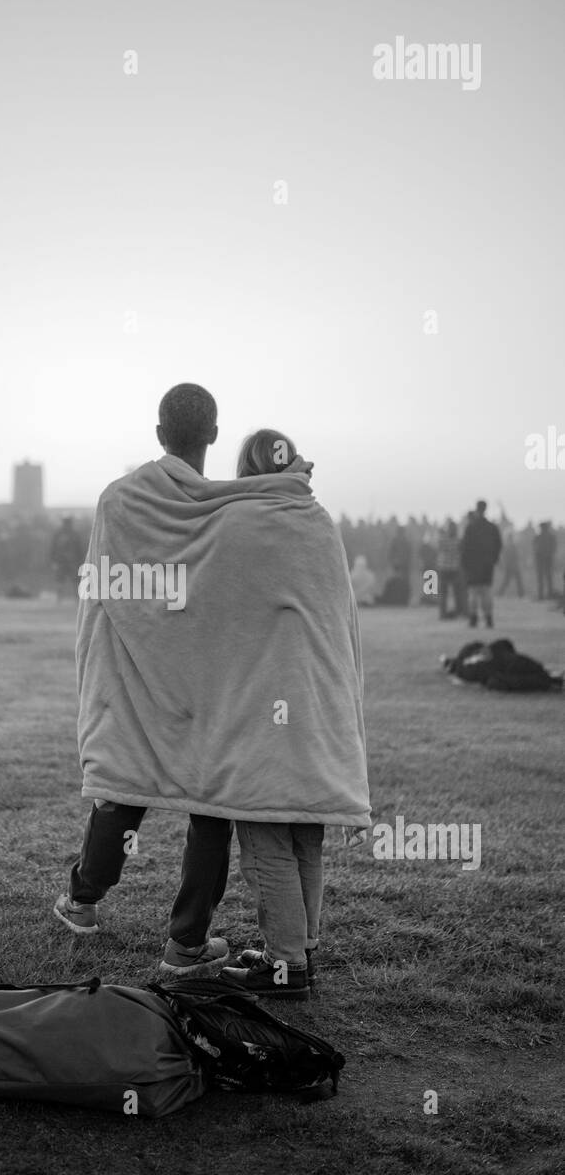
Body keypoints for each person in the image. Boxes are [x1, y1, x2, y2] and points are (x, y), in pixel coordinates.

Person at [54, 387, 370, 990]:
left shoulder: (124, 500)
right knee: (215, 809)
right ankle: (190, 941)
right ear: (214, 433)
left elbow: (106, 593)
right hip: (230, 688)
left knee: (124, 785)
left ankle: (83, 898)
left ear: (158, 430)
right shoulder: (250, 513)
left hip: (146, 669)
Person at [219, 430, 368, 998]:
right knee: (306, 832)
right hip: (320, 694)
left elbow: (220, 609)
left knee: (263, 830)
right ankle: (301, 952)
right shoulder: (319, 520)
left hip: (266, 697)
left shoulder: (243, 523)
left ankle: (284, 966)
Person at [460, 500, 502, 629]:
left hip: (472, 565)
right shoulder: (492, 527)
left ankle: (473, 618)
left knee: (473, 592)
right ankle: (488, 618)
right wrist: (494, 559)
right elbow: (498, 545)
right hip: (487, 565)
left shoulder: (471, 527)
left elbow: (464, 547)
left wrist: (465, 563)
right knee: (487, 592)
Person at [50, 517, 86, 599]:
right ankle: (59, 598)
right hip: (62, 562)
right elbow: (53, 548)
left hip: (71, 562)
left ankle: (76, 598)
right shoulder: (59, 534)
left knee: (74, 581)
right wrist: (53, 561)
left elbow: (79, 549)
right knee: (60, 580)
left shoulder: (73, 534)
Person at [436, 519, 463, 618]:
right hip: (455, 568)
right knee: (456, 593)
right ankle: (457, 612)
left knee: (443, 593)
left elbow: (438, 548)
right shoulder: (458, 540)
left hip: (443, 568)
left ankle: (442, 613)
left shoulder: (443, 540)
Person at [534, 522, 556, 600]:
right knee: (547, 577)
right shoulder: (550, 537)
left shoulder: (539, 537)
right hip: (546, 560)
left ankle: (543, 595)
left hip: (544, 560)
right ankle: (546, 595)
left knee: (544, 578)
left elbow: (535, 548)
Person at [498, 532, 525, 598]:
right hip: (512, 566)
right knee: (512, 581)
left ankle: (501, 593)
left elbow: (515, 556)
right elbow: (516, 556)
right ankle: (520, 593)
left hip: (512, 566)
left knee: (509, 581)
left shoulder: (509, 546)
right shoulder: (511, 546)